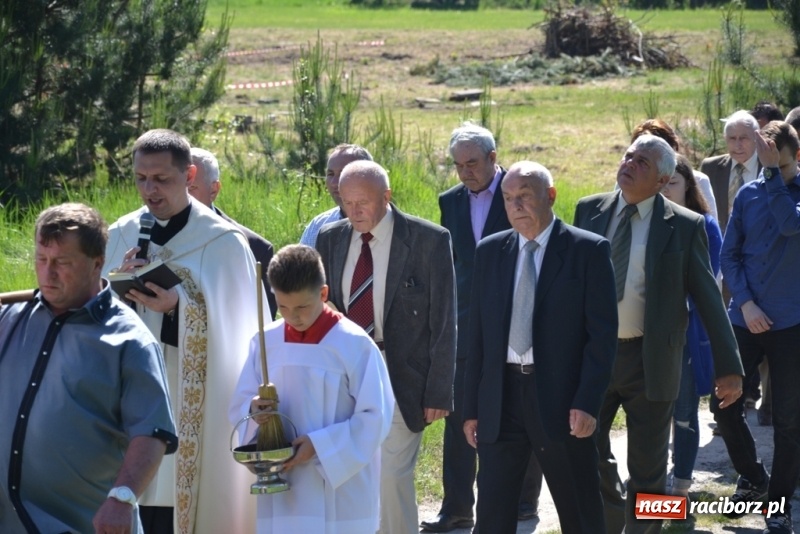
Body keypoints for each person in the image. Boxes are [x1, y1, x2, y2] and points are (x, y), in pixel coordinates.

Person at [574, 134, 744, 534]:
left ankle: (646, 527)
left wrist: (729, 367)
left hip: (651, 361)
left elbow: (708, 298)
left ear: (663, 179)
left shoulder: (683, 226)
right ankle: (615, 517)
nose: (630, 164)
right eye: (629, 156)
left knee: (648, 470)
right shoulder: (589, 211)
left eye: (643, 163)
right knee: (585, 452)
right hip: (594, 360)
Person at [104, 129, 263, 534]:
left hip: (192, 403)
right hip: (129, 396)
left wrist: (180, 306)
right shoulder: (121, 233)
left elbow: (241, 332)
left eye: (161, 179)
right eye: (141, 178)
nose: (149, 189)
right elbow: (96, 317)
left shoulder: (223, 242)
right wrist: (116, 287)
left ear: (190, 174)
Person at [0, 203, 177, 534]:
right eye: (41, 260)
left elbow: (152, 433)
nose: (47, 273)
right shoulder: (9, 320)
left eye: (62, 263)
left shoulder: (129, 341)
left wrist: (122, 498)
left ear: (97, 263)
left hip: (83, 526)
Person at [463, 161, 618, 534]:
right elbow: (477, 337)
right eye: (508, 198)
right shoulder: (490, 251)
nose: (515, 205)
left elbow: (602, 338)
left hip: (562, 402)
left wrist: (587, 402)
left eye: (525, 196)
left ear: (550, 196)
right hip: (502, 400)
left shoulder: (587, 250)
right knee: (493, 513)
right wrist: (472, 408)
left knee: (579, 508)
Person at [315, 160, 456, 534]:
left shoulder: (429, 240)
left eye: (363, 201)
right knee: (348, 474)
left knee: (392, 476)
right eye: (347, 202)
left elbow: (445, 320)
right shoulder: (330, 238)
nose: (355, 211)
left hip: (401, 375)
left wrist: (439, 389)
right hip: (346, 374)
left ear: (387, 196)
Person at [421, 123, 543, 534]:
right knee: (459, 419)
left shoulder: (521, 192)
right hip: (463, 325)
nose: (464, 172)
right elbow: (453, 265)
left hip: (515, 322)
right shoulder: (450, 201)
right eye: (457, 165)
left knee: (518, 412)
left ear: (494, 159)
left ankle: (524, 503)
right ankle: (456, 509)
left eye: (472, 163)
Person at [228, 244, 394, 533]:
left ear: (324, 294)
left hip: (338, 489)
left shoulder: (353, 345)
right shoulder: (266, 342)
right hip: (284, 492)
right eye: (283, 307)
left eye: (303, 306)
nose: (294, 317)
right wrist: (254, 411)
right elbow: (241, 402)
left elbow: (375, 417)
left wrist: (320, 446)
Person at [715, 121, 800, 534]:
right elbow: (729, 256)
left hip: (792, 325)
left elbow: (789, 225)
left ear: (794, 158)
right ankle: (753, 475)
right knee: (724, 406)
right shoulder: (747, 195)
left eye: (776, 161)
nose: (769, 166)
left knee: (788, 421)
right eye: (766, 162)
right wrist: (745, 304)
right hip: (746, 318)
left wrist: (771, 176)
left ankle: (779, 505)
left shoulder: (789, 193)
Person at [660, 155, 723, 499]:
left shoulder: (705, 225)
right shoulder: (647, 221)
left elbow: (708, 282)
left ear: (688, 185)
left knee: (684, 414)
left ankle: (681, 485)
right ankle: (651, 482)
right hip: (647, 336)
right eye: (662, 183)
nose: (667, 190)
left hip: (685, 333)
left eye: (673, 183)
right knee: (654, 412)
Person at [189, 147, 277, 319]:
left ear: (213, 189)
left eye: (191, 188)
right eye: (178, 186)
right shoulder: (147, 234)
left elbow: (261, 322)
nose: (181, 196)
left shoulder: (255, 248)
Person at [630, 118, 718, 222]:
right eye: (642, 158)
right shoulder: (627, 181)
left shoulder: (699, 180)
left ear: (674, 149)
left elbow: (711, 225)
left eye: (672, 182)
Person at [299, 144, 373, 248]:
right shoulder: (318, 227)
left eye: (344, 173)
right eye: (330, 174)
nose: (335, 182)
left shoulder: (394, 226)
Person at [700, 109, 761, 234]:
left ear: (757, 137)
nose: (737, 145)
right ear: (725, 139)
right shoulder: (711, 168)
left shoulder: (769, 167)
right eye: (732, 138)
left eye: (743, 138)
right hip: (723, 244)